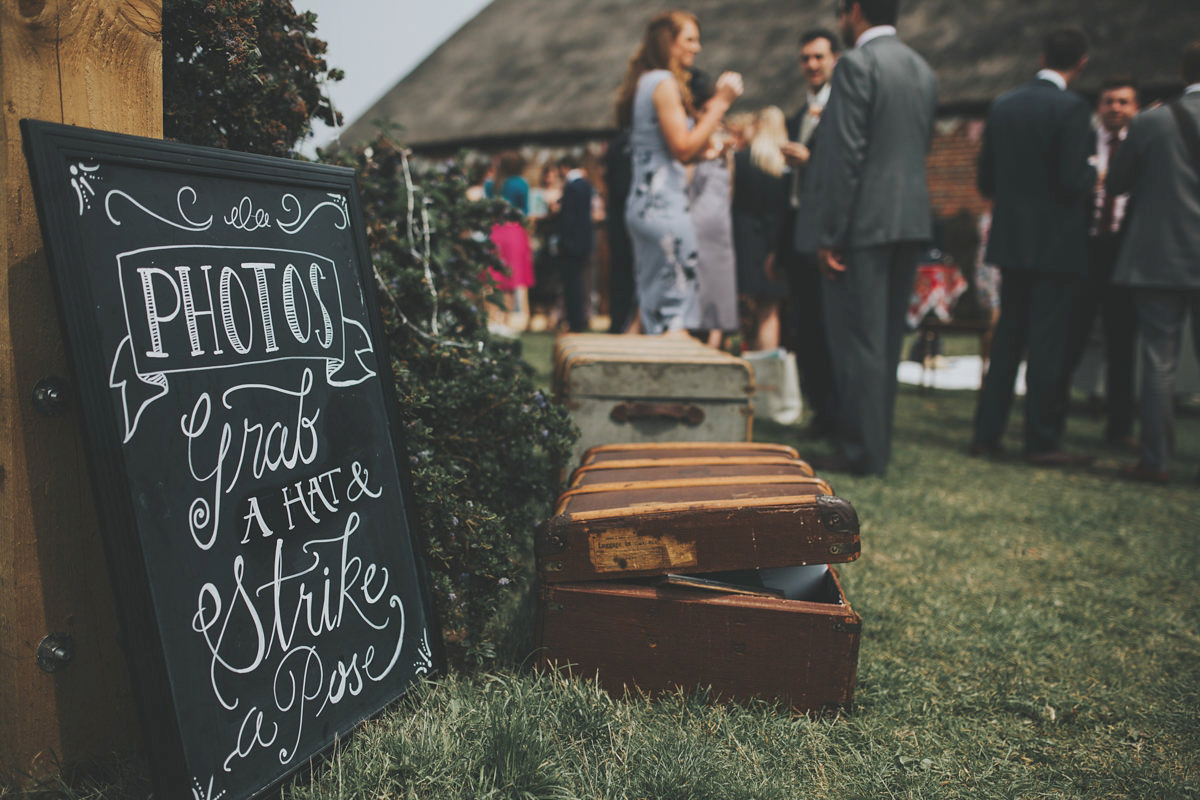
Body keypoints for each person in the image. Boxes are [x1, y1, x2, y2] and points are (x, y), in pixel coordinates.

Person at [802, 0, 937, 476]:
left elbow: (846, 155)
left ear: (855, 11)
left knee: (857, 340)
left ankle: (860, 450)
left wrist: (831, 233)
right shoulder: (921, 68)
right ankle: (875, 446)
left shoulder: (857, 64)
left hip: (862, 225)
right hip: (909, 221)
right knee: (884, 340)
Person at [969, 28, 1096, 466]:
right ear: (1081, 62)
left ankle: (986, 434)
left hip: (1012, 241)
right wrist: (1092, 171)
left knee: (1007, 339)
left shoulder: (1003, 105)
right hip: (1057, 246)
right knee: (1048, 344)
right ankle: (1041, 440)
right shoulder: (1074, 109)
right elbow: (1070, 180)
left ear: (1042, 55)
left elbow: (985, 179)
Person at [615, 10, 743, 336]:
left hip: (644, 206)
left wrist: (708, 149)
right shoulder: (663, 83)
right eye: (690, 39)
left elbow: (674, 149)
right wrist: (720, 103)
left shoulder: (645, 82)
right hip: (665, 209)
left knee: (650, 306)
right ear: (668, 42)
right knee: (675, 311)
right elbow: (682, 149)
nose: (697, 48)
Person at [1109, 41, 1200, 485]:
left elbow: (1118, 184)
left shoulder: (1152, 121)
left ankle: (1156, 460)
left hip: (1161, 256)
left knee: (1158, 360)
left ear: (1184, 72)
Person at [1060, 76, 1140, 451]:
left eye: (1123, 102)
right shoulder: (1084, 142)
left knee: (1122, 343)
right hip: (1084, 249)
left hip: (1125, 251)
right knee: (1070, 338)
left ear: (1134, 108)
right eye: (1109, 101)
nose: (1115, 108)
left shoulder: (1142, 145)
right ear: (1099, 107)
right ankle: (1054, 417)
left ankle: (1120, 426)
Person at [778, 28, 840, 434]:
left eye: (819, 57)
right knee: (804, 324)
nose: (812, 65)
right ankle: (819, 408)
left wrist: (811, 160)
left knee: (829, 322)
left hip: (828, 230)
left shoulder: (841, 110)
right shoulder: (796, 116)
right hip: (796, 230)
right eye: (805, 58)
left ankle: (838, 409)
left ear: (834, 59)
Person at [687, 67, 739, 346]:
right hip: (696, 219)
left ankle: (717, 340)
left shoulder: (723, 144)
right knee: (698, 280)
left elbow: (730, 186)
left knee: (720, 281)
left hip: (720, 225)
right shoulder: (692, 139)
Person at [733, 106, 790, 351]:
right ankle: (767, 370)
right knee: (770, 311)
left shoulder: (742, 161)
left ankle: (753, 359)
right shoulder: (785, 166)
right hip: (776, 244)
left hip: (746, 244)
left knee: (751, 309)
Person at [485, 151, 535, 333]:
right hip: (514, 232)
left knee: (493, 278)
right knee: (511, 278)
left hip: (494, 230)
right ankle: (506, 321)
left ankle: (492, 318)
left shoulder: (491, 185)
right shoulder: (521, 184)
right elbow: (525, 213)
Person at [556, 155, 595, 333]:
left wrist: (564, 241)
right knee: (582, 283)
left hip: (571, 244)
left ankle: (575, 322)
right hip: (584, 242)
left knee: (573, 285)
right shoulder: (586, 186)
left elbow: (568, 219)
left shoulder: (572, 187)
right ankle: (580, 320)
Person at [602, 130, 637, 333]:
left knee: (622, 274)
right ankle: (621, 321)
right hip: (623, 219)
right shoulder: (624, 143)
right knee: (623, 274)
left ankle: (622, 321)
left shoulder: (618, 143)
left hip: (620, 219)